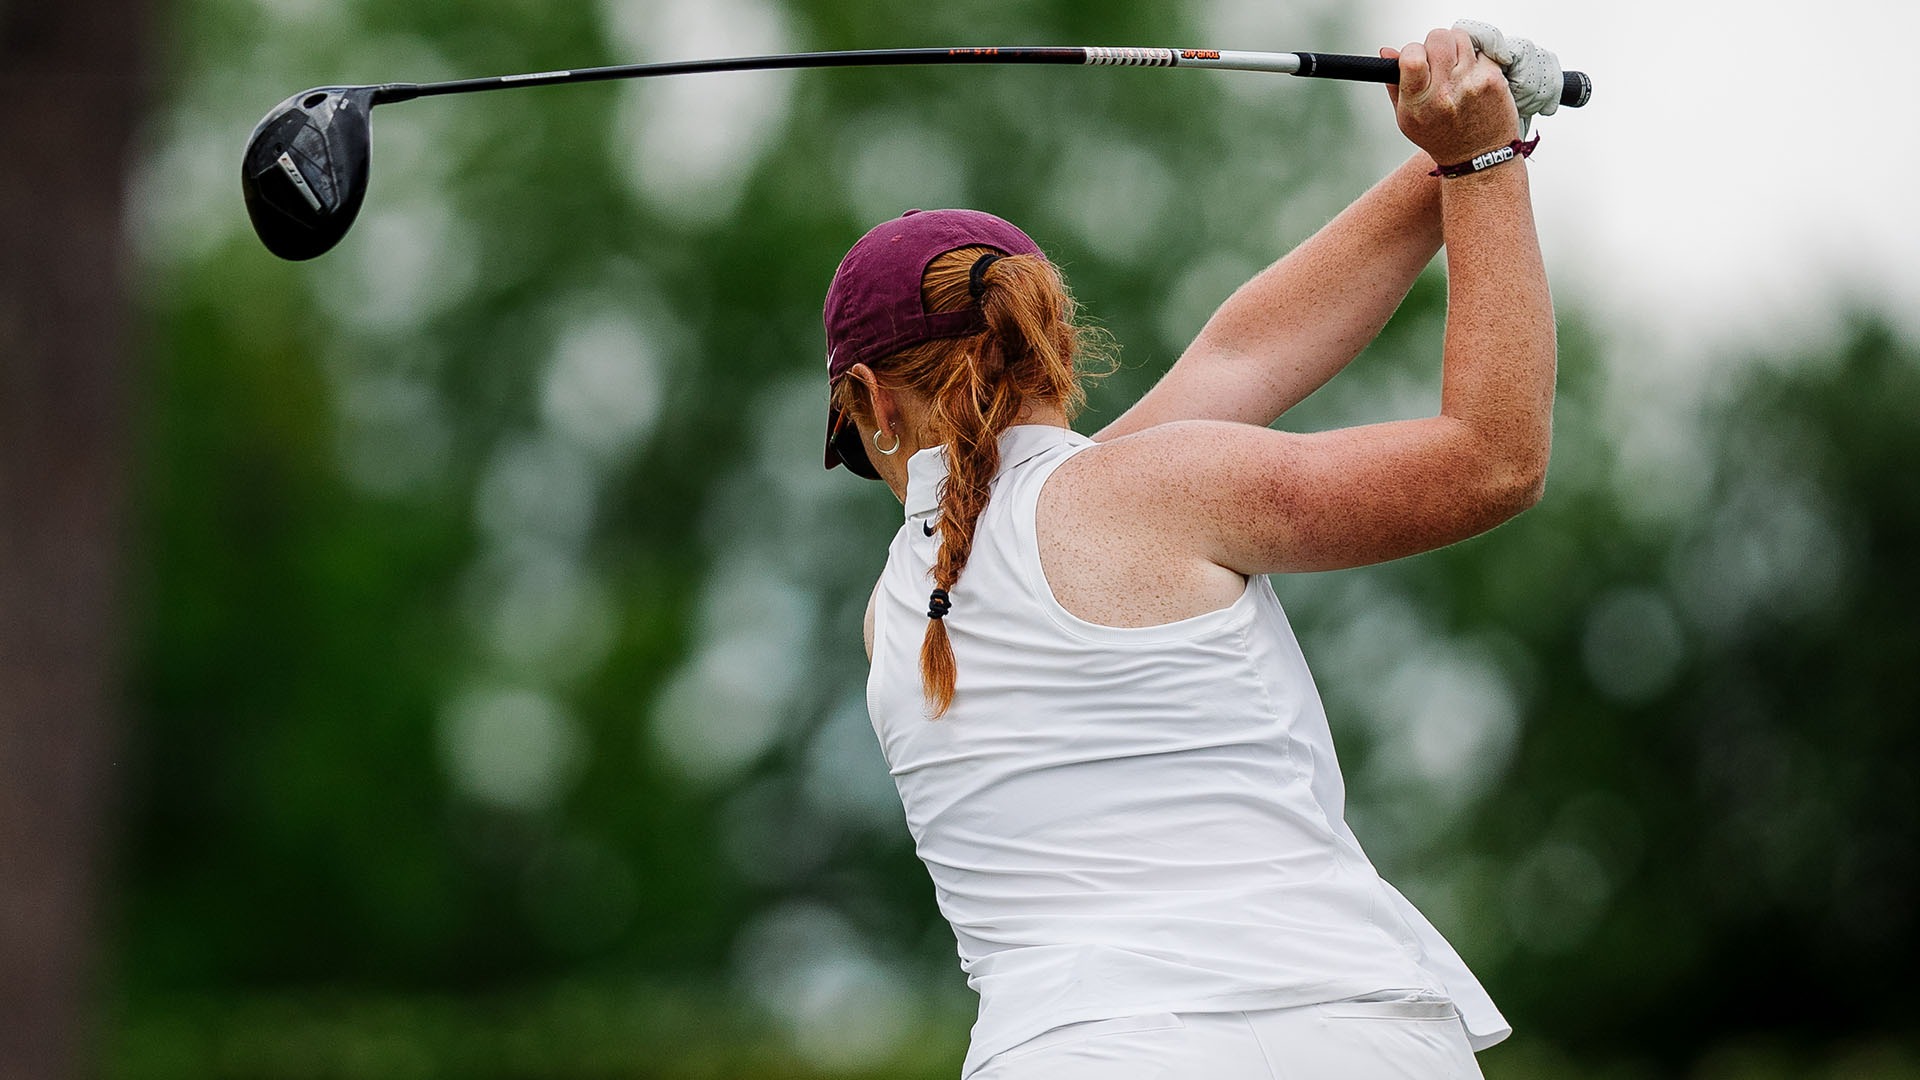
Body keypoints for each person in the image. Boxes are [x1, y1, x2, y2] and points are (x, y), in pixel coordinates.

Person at [819, 23, 1558, 1080]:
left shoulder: (891, 614)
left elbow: (1243, 354)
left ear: (869, 400)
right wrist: (1482, 159)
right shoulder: (1153, 492)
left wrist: (1455, 154)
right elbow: (1494, 460)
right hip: (1341, 1034)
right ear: (1052, 343)